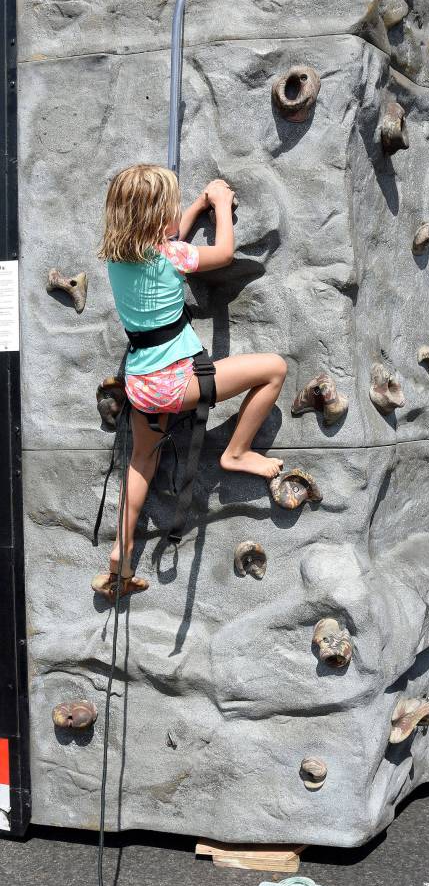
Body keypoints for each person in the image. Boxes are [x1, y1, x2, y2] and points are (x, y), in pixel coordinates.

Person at [94, 163, 287, 592]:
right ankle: (237, 452)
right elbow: (222, 254)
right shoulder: (172, 256)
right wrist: (217, 206)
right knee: (274, 369)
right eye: (172, 206)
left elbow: (167, 238)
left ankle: (120, 551)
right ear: (154, 218)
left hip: (140, 386)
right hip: (177, 382)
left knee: (141, 460)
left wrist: (197, 203)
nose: (177, 211)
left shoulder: (117, 257)